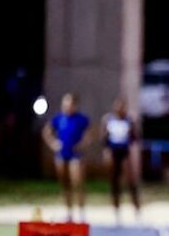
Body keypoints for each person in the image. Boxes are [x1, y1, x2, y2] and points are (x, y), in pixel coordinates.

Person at [42, 93, 91, 222]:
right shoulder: (58, 118)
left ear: (75, 105)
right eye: (65, 103)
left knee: (77, 182)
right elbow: (47, 131)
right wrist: (53, 143)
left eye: (70, 104)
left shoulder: (81, 119)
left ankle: (82, 213)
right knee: (65, 184)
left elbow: (89, 134)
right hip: (62, 154)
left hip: (76, 155)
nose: (67, 106)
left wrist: (81, 145)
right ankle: (69, 213)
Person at [100, 97, 141, 225]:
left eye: (123, 107)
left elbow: (135, 138)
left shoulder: (129, 120)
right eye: (118, 106)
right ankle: (116, 211)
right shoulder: (108, 120)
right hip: (113, 152)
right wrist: (106, 151)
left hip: (125, 152)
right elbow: (103, 140)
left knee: (131, 181)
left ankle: (137, 209)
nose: (120, 109)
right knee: (114, 182)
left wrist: (132, 129)